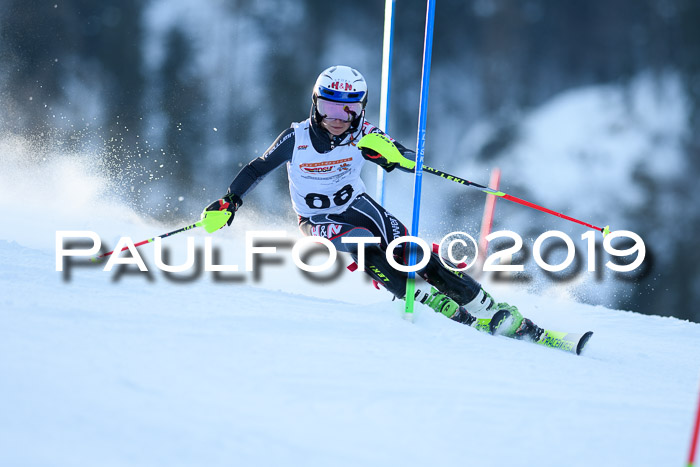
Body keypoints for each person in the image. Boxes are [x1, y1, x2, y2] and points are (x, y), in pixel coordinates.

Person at [204, 65, 543, 341]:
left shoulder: (365, 133)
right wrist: (230, 201)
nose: (337, 118)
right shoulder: (297, 138)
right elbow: (257, 168)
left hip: (358, 204)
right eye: (328, 107)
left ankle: (486, 306)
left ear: (360, 109)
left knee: (412, 250)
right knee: (362, 243)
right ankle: (425, 301)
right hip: (316, 218)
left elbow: (402, 158)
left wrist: (396, 156)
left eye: (347, 109)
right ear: (315, 104)